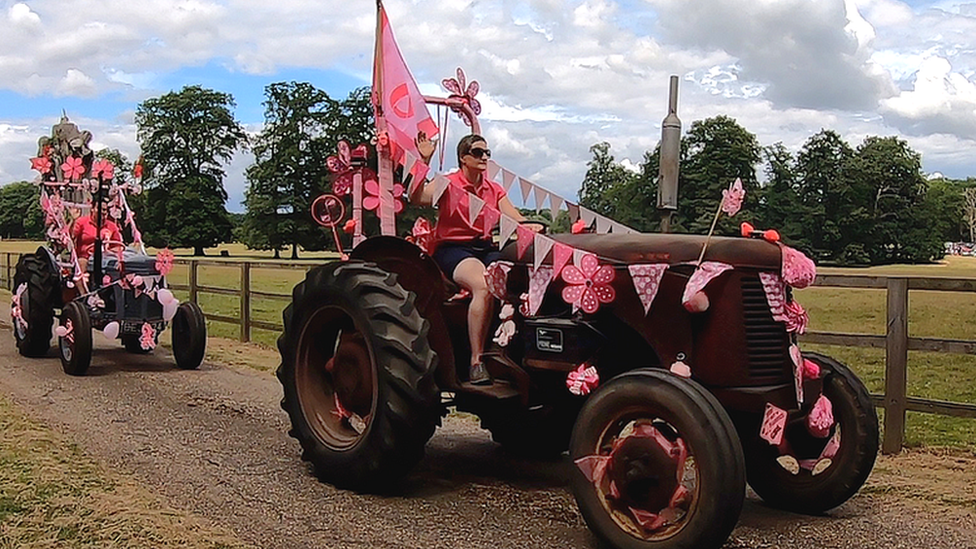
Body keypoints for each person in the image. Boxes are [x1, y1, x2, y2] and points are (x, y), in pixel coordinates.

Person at [411, 133, 536, 385]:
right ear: (463, 158)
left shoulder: (494, 189)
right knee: (484, 285)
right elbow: (416, 198)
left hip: (485, 246)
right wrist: (423, 160)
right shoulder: (447, 184)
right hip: (454, 248)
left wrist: (532, 228)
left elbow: (514, 218)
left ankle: (512, 350)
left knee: (519, 279)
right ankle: (476, 362)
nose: (484, 158)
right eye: (478, 153)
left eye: (487, 153)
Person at [71, 212, 122, 277]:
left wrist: (109, 251)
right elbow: (71, 237)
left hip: (106, 257)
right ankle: (82, 285)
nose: (103, 212)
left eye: (105, 210)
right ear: (93, 209)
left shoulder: (112, 226)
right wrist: (74, 220)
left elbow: (118, 246)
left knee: (118, 264)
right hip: (86, 256)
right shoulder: (82, 222)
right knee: (82, 264)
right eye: (101, 209)